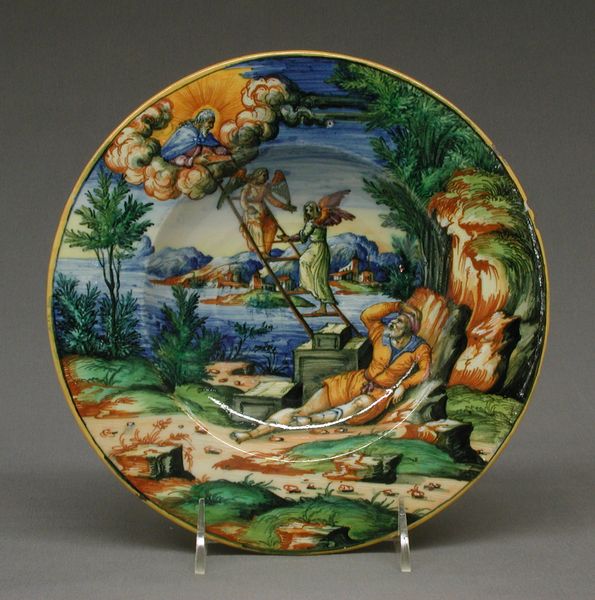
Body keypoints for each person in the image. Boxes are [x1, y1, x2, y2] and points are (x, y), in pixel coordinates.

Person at [230, 300, 431, 443]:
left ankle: (313, 421)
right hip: (355, 381)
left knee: (359, 403)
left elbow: (424, 371)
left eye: (400, 321)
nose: (393, 322)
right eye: (394, 319)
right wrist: (397, 306)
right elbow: (367, 315)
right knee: (304, 409)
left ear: (410, 329)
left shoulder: (419, 348)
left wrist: (404, 385)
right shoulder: (381, 334)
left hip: (378, 394)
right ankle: (252, 434)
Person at [279, 191, 353, 316]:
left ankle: (320, 304)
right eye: (306, 211)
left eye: (310, 210)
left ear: (315, 210)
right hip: (317, 247)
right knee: (307, 265)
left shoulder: (313, 223)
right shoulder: (320, 221)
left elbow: (302, 235)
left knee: (319, 276)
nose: (308, 213)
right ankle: (307, 286)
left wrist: (288, 238)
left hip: (318, 248)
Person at [239, 168, 297, 255]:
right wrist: (248, 208)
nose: (266, 178)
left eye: (267, 176)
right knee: (258, 229)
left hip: (263, 212)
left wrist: (285, 207)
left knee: (273, 226)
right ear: (257, 175)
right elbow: (243, 200)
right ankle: (261, 251)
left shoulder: (264, 188)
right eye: (264, 175)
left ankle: (267, 250)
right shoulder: (249, 187)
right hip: (252, 214)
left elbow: (272, 200)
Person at [161, 108, 228, 167]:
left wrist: (217, 148)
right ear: (202, 121)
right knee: (181, 160)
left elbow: (210, 141)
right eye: (209, 122)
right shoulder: (187, 131)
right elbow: (175, 147)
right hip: (176, 156)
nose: (211, 126)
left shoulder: (205, 134)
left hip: (192, 158)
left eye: (213, 123)